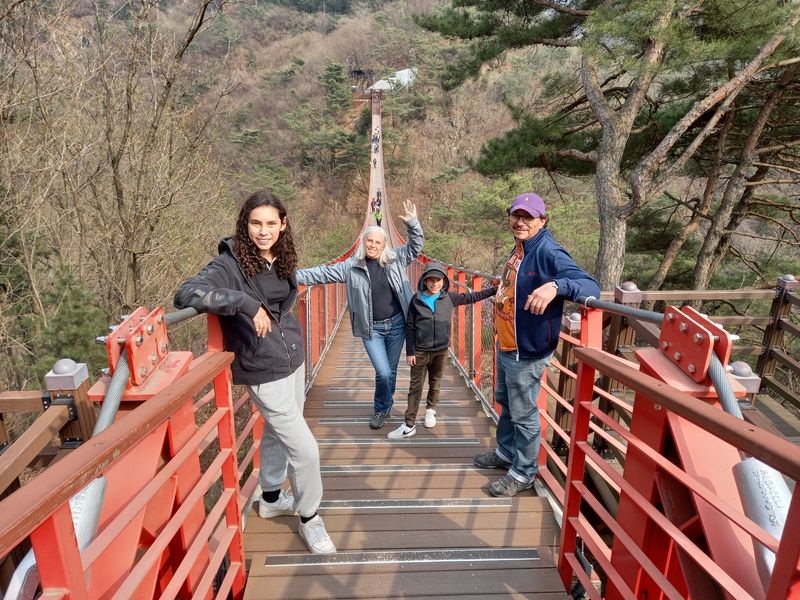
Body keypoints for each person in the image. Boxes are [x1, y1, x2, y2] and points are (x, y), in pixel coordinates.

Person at [174, 190, 336, 554]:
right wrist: (245, 304)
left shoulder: (280, 257)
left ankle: (272, 496)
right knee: (306, 450)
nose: (263, 231)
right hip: (262, 367)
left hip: (292, 358)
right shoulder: (230, 264)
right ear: (244, 224)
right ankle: (310, 518)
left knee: (278, 434)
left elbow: (283, 301)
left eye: (270, 224)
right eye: (255, 223)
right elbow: (186, 294)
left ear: (283, 225)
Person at [473, 192, 600, 497]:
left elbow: (590, 286)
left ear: (542, 221)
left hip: (526, 351)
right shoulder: (521, 247)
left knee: (524, 413)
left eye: (528, 217)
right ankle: (505, 454)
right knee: (505, 401)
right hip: (508, 344)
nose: (520, 222)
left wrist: (556, 285)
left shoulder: (548, 251)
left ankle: (523, 472)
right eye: (516, 215)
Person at [296, 200, 423, 429]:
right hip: (371, 328)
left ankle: (383, 408)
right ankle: (382, 406)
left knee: (391, 371)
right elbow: (322, 274)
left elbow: (415, 247)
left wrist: (413, 224)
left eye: (378, 242)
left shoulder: (394, 260)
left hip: (397, 326)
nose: (373, 245)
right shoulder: (351, 266)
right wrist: (289, 276)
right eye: (370, 241)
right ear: (364, 242)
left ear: (384, 245)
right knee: (383, 372)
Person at [388, 262, 497, 439]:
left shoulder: (449, 298)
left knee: (435, 382)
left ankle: (430, 410)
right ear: (424, 281)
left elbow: (471, 297)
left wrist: (492, 291)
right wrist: (410, 352)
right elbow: (409, 327)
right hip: (420, 351)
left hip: (441, 351)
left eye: (437, 280)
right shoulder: (416, 300)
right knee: (415, 387)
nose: (434, 284)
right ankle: (409, 425)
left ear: (444, 281)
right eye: (430, 280)